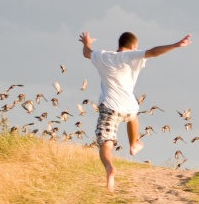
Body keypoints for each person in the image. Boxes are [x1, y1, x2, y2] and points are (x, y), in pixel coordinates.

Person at [79, 30, 191, 191]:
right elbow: (154, 52)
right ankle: (133, 144)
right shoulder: (132, 56)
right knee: (133, 116)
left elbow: (86, 53)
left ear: (120, 44)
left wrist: (86, 42)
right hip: (130, 107)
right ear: (133, 46)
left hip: (110, 107)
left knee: (106, 143)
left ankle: (109, 167)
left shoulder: (102, 56)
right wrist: (175, 45)